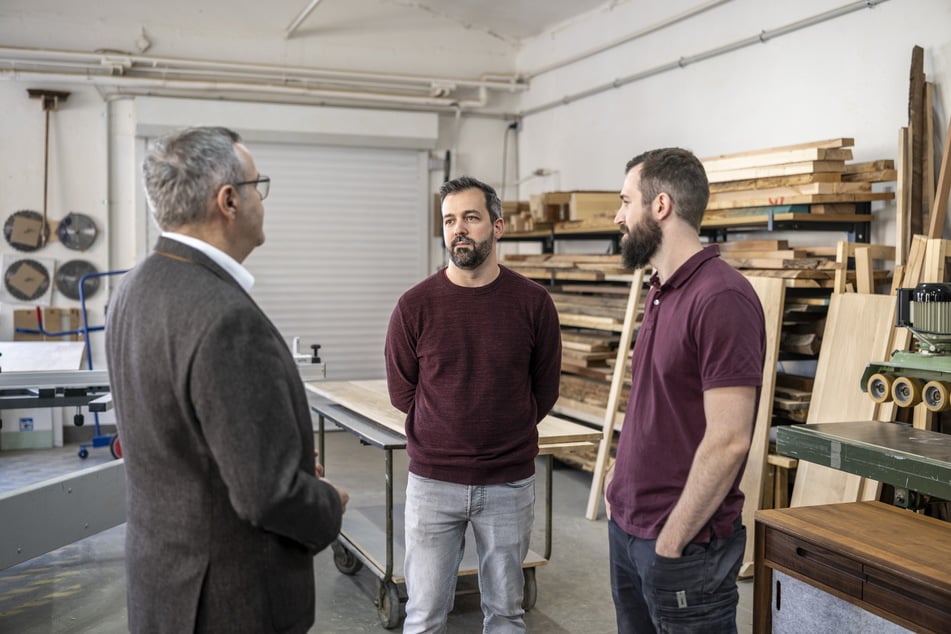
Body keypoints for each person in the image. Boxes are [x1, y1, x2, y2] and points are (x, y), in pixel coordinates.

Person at [105, 126, 348, 634]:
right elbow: (267, 496)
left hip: (165, 584)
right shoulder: (225, 318)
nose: (263, 199)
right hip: (227, 601)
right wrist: (326, 502)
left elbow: (183, 438)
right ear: (229, 201)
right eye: (259, 185)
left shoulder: (134, 288)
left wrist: (279, 456)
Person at [385, 175, 562, 632]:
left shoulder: (534, 304)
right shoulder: (414, 306)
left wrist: (501, 429)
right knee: (424, 615)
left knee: (506, 613)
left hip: (507, 484)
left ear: (498, 227)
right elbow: (403, 392)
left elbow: (543, 391)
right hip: (432, 483)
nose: (458, 229)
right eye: (449, 220)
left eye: (470, 217)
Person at [604, 148, 766, 633]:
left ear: (660, 206)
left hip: (682, 548)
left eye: (625, 201)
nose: (617, 216)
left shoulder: (721, 298)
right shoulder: (662, 288)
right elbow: (656, 404)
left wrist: (672, 541)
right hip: (630, 529)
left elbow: (730, 439)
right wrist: (617, 481)